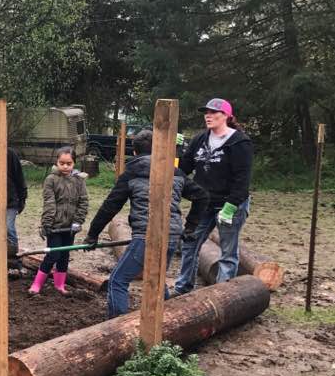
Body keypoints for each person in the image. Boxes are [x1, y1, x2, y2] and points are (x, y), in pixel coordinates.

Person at [82, 129, 208, 318]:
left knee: (118, 280)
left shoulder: (132, 171)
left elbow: (110, 206)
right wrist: (189, 226)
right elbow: (202, 196)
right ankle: (168, 322)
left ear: (134, 151)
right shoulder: (173, 171)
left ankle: (116, 328)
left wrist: (92, 234)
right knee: (157, 280)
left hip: (145, 236)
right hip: (172, 236)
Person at [174, 99, 254, 295]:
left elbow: (242, 180)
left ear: (226, 116)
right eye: (206, 112)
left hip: (230, 203)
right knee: (190, 242)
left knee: (227, 251)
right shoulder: (200, 139)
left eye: (213, 112)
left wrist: (231, 206)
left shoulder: (239, 142)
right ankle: (183, 287)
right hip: (204, 203)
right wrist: (175, 151)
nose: (208, 116)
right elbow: (183, 169)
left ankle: (221, 294)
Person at [29, 147, 89, 295]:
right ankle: (36, 285)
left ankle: (60, 285)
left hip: (70, 227)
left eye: (69, 163)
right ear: (57, 162)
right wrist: (47, 223)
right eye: (62, 163)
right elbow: (49, 202)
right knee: (53, 254)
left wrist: (78, 221)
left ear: (74, 163)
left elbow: (83, 202)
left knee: (64, 255)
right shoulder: (51, 179)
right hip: (55, 227)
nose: (65, 166)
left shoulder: (79, 180)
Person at [7, 147, 28, 275]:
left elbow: (19, 177)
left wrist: (22, 198)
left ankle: (14, 264)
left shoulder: (10, 154)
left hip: (9, 200)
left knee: (8, 229)